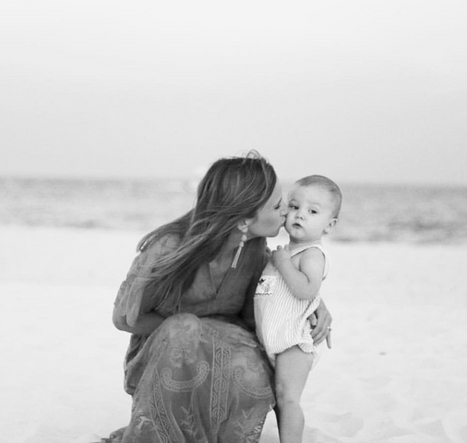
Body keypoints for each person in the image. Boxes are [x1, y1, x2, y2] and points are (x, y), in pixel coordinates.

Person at [107, 152, 332, 443]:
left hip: (227, 345)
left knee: (252, 365)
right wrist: (197, 332)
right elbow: (125, 318)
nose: (286, 214)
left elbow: (271, 294)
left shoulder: (254, 247)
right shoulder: (168, 247)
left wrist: (315, 305)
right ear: (243, 219)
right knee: (183, 330)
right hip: (167, 349)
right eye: (279, 206)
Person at [254, 175, 342, 443]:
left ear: (329, 225)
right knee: (279, 399)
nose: (300, 215)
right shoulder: (283, 253)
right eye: (294, 206)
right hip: (272, 338)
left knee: (288, 398)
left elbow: (306, 290)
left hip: (293, 341)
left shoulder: (312, 254)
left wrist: (282, 263)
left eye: (312, 211)